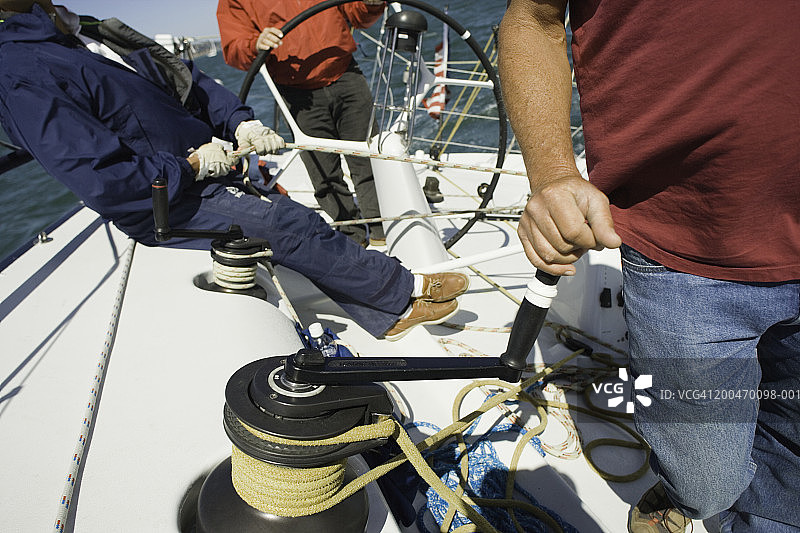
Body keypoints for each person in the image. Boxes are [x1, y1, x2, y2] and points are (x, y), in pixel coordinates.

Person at [0, 1, 469, 342]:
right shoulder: (21, 70)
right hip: (164, 199)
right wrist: (191, 165)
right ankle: (403, 290)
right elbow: (103, 179)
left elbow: (190, 82)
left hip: (199, 171)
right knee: (286, 222)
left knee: (289, 215)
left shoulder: (88, 33)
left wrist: (240, 122)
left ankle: (388, 314)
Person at [499, 1, 799, 533]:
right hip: (682, 255)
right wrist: (553, 176)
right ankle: (681, 496)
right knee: (706, 485)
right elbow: (532, 17)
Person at [216, 0, 387, 248]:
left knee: (369, 159)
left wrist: (372, 3)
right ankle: (352, 238)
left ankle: (383, 228)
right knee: (324, 173)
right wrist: (255, 43)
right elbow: (234, 48)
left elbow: (358, 13)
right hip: (297, 94)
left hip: (346, 74)